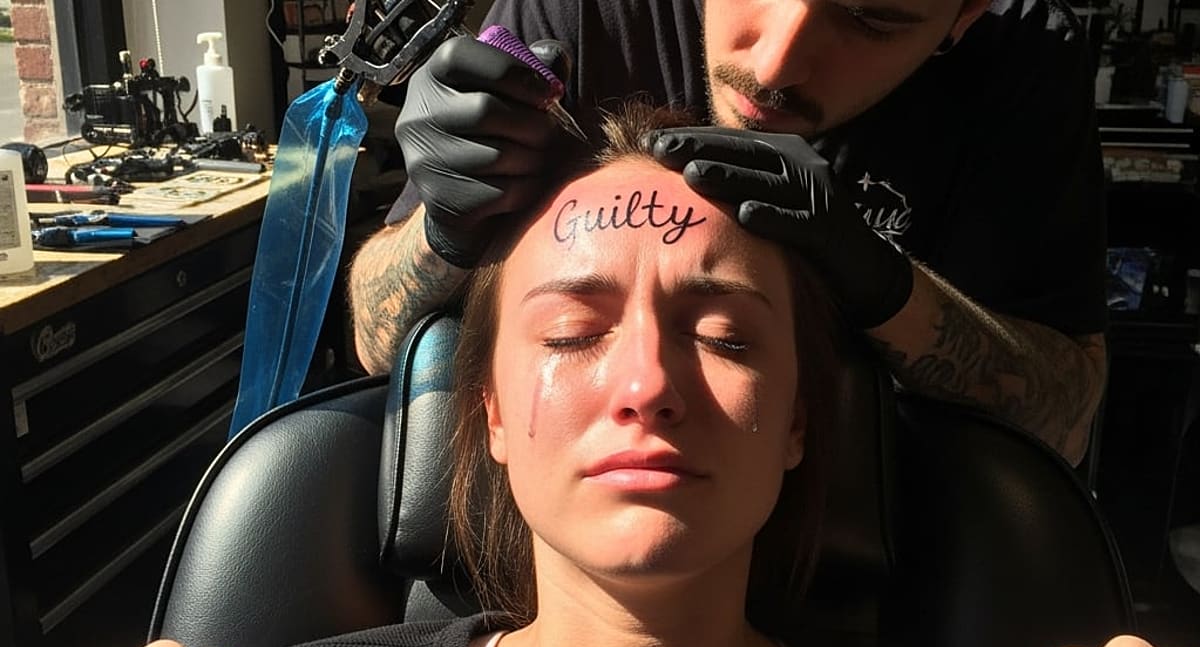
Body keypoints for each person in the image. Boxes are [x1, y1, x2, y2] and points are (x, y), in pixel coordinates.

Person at [2, 106, 1194, 647]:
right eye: (574, 331)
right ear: (488, 417)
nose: (648, 384)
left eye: (726, 336)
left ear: (798, 421)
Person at [348, 0, 1109, 467]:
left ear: (964, 14)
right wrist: (443, 232)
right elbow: (377, 344)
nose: (775, 64)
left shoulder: (1022, 60)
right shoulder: (588, 11)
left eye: (871, 19)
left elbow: (1067, 419)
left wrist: (885, 287)